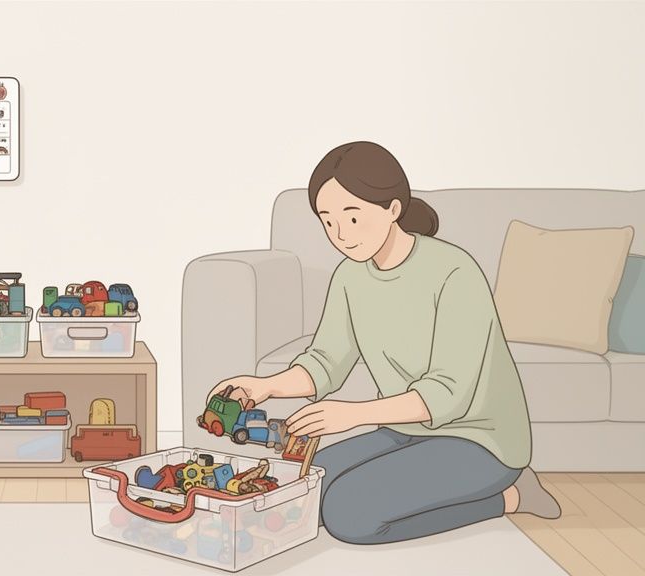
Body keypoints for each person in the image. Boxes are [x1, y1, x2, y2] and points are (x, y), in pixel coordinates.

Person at [210, 141, 561, 545]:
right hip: (401, 430)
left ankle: (512, 495)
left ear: (392, 208)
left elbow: (446, 395)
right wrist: (265, 386)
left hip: (478, 440)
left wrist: (352, 414)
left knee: (347, 514)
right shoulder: (350, 276)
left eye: (352, 217)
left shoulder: (455, 272)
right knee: (304, 490)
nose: (340, 234)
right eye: (327, 221)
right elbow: (325, 361)